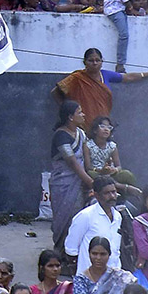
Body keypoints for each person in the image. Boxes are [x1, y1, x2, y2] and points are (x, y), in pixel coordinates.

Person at [51, 48, 148, 124]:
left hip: (102, 124)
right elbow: (55, 92)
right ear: (84, 62)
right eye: (91, 60)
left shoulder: (105, 75)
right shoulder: (77, 77)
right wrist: (67, 112)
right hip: (81, 124)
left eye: (97, 60)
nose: (95, 63)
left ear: (102, 61)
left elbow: (128, 77)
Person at [50, 100, 94, 252]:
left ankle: (74, 253)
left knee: (77, 217)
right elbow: (73, 163)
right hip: (63, 184)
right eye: (80, 112)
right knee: (64, 217)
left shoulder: (81, 134)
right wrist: (91, 182)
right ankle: (61, 252)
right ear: (70, 117)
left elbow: (87, 159)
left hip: (79, 182)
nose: (83, 115)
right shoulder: (61, 136)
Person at [65, 177, 124, 275]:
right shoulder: (85, 216)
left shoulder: (117, 216)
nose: (112, 196)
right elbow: (71, 249)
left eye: (114, 192)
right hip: (89, 277)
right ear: (96, 195)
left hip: (113, 276)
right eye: (107, 193)